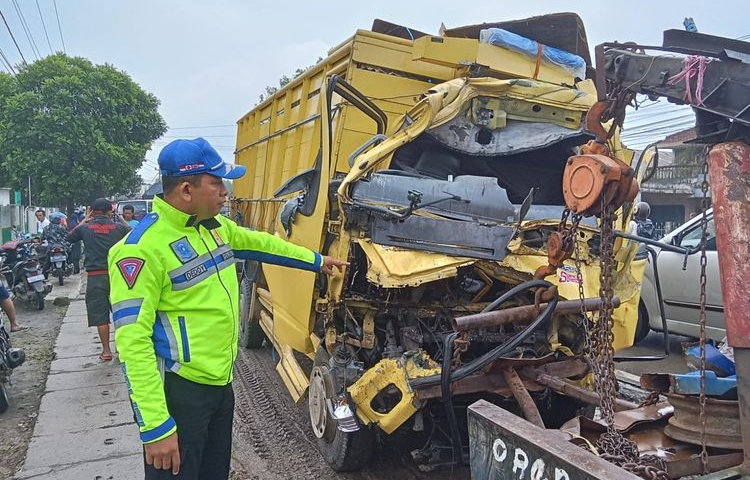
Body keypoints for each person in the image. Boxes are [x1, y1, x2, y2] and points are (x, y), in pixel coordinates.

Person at [109, 138, 348, 479]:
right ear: (186, 189)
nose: (226, 191)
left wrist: (316, 261)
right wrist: (155, 427)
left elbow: (261, 244)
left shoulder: (216, 228)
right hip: (179, 393)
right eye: (217, 182)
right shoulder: (140, 251)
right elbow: (133, 344)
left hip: (220, 386)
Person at [68, 199, 131, 361]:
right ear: (110, 212)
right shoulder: (119, 228)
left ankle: (106, 351)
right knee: (121, 312)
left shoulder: (84, 228)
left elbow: (69, 237)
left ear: (92, 211)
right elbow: (133, 233)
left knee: (99, 314)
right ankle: (122, 349)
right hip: (118, 276)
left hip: (96, 276)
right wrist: (119, 217)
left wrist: (84, 219)